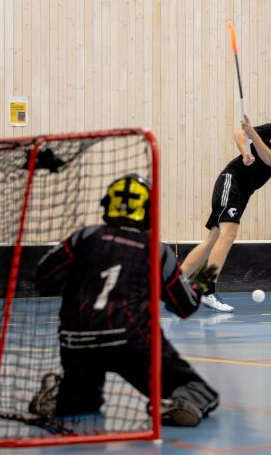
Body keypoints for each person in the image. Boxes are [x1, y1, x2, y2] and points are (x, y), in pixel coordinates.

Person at [30, 174, 220, 427]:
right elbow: (184, 307)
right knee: (202, 393)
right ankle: (172, 402)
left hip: (77, 343)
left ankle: (59, 396)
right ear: (148, 211)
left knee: (82, 403)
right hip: (130, 344)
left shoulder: (85, 237)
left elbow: (43, 280)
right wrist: (202, 284)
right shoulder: (155, 250)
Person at [181, 114, 271, 312]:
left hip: (245, 192)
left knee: (214, 238)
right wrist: (245, 151)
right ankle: (206, 288)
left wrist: (253, 135)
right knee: (228, 234)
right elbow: (239, 134)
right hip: (232, 179)